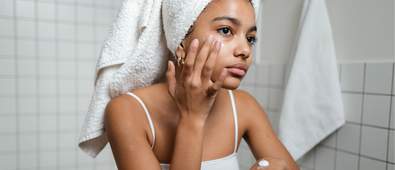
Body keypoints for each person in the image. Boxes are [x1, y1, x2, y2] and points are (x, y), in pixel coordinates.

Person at [104, 0, 299, 169]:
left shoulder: (244, 107)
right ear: (181, 41)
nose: (245, 50)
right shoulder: (127, 112)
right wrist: (192, 119)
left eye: (250, 39)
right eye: (226, 30)